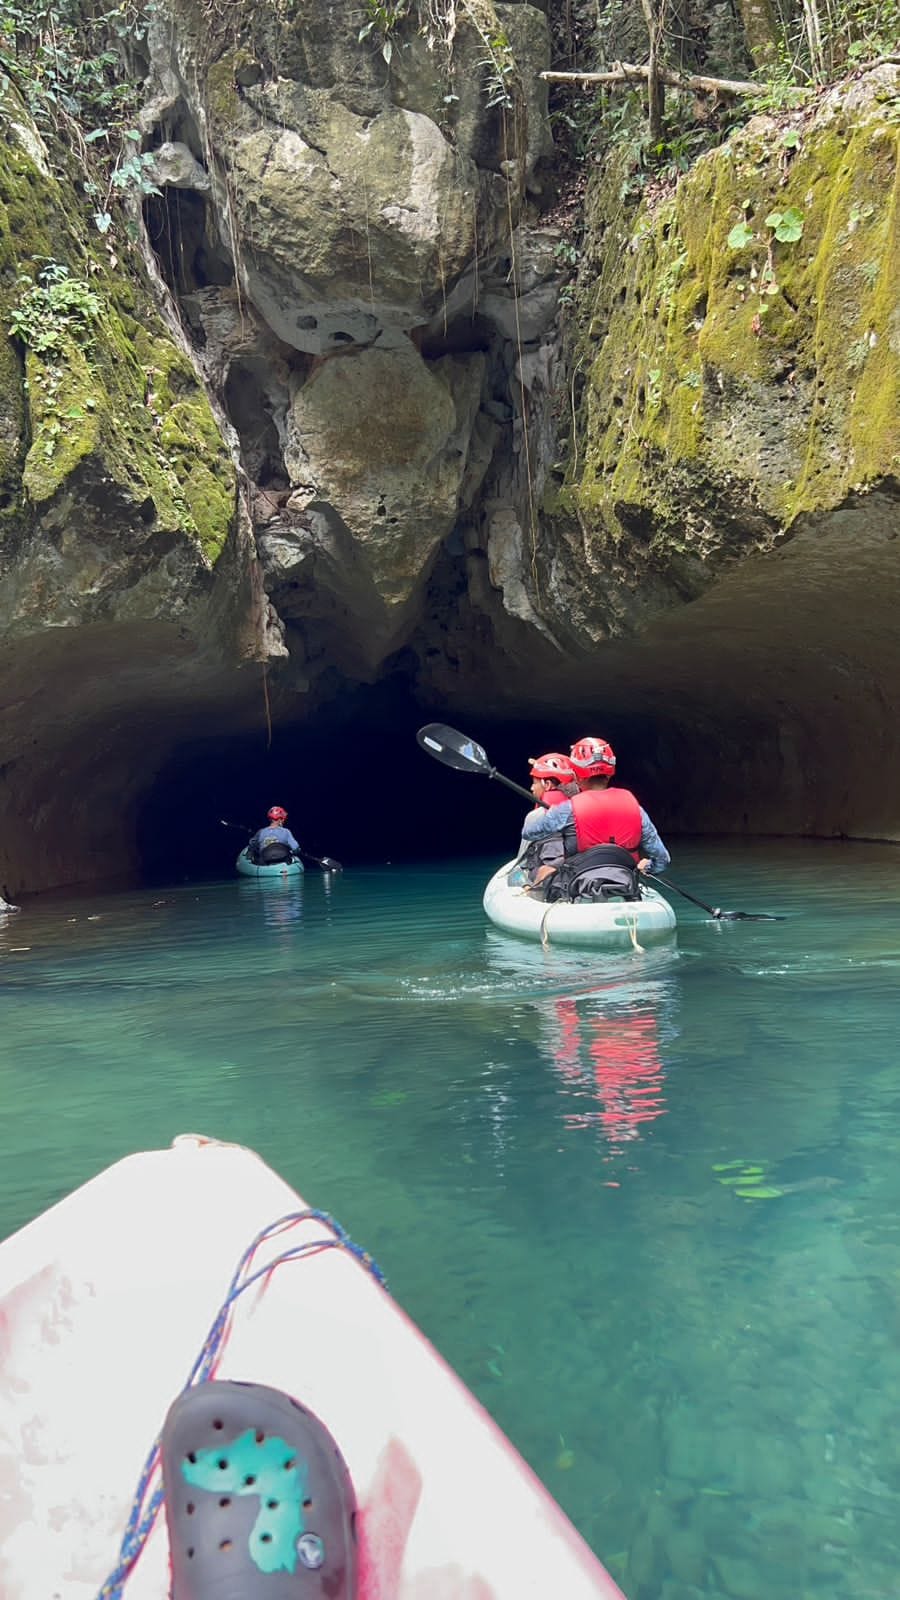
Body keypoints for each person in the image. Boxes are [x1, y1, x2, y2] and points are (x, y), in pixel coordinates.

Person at [520, 736, 670, 899]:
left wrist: (555, 805)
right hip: (625, 883)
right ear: (610, 773)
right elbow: (662, 860)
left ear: (576, 775)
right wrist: (648, 867)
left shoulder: (567, 810)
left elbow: (530, 832)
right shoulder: (637, 809)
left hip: (579, 885)